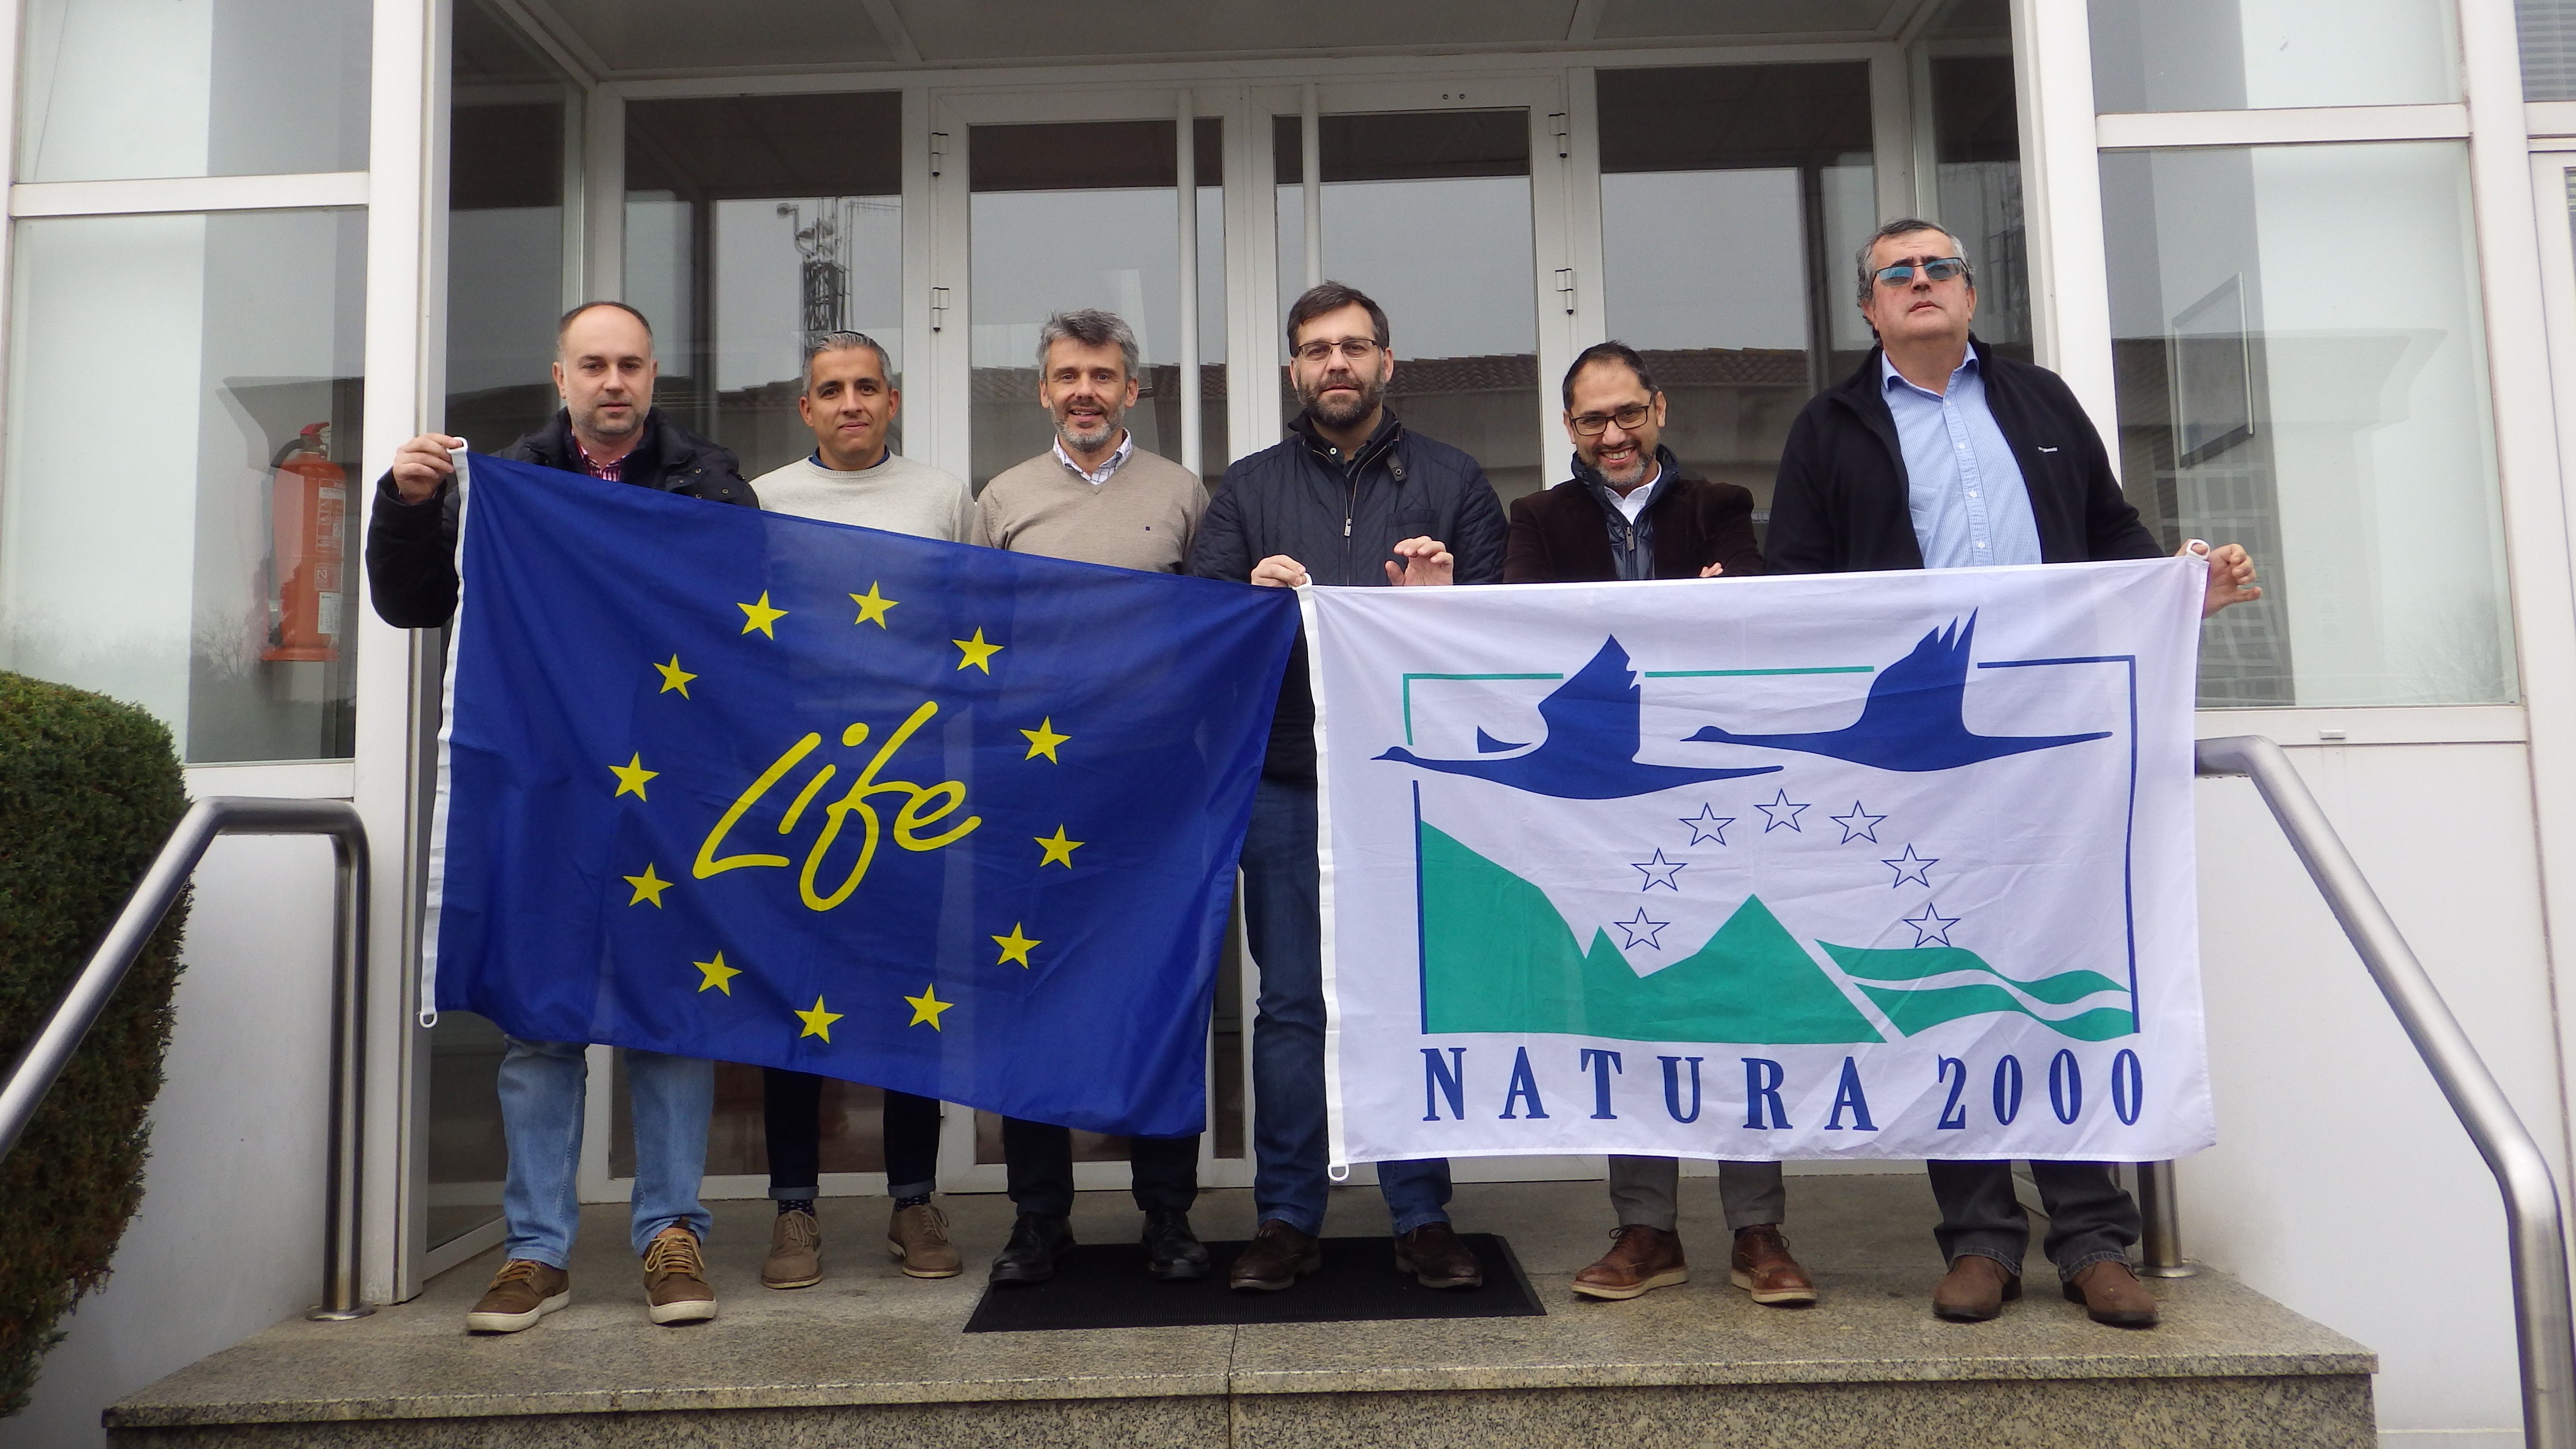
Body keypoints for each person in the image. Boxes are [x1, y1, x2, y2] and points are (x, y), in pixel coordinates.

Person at [1765, 219, 2260, 1330]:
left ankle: (2094, 1241)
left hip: (2054, 746)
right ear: (1870, 310)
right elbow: (1793, 585)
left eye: (1941, 267)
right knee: (1948, 977)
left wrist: (2182, 590)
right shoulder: (1829, 428)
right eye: (1899, 274)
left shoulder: (2039, 404)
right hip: (1919, 758)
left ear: (1971, 292)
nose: (1923, 284)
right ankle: (1982, 1239)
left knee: (2060, 974)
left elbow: (2112, 534)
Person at [366, 300, 754, 1333]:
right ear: (561, 375)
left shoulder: (710, 481)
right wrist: (406, 505)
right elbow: (409, 603)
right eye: (594, 364)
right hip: (541, 793)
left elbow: (754, 628)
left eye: (630, 364)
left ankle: (672, 1236)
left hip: (671, 791)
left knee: (669, 1015)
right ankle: (536, 1251)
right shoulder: (498, 487)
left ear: (654, 375)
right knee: (541, 1025)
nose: (613, 381)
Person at [1187, 281, 1508, 1292]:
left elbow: (1507, 637)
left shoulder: (1455, 482)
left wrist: (1443, 605)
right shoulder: (1245, 489)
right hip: (1284, 780)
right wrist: (1248, 606)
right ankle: (1286, 1215)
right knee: (1290, 1007)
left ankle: (1422, 1215)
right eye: (1317, 349)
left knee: (1411, 996)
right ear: (1294, 369)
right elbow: (1197, 631)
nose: (1337, 364)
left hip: (1411, 788)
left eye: (1354, 347)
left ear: (1387, 364)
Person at [1505, 340, 1814, 1309]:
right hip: (1604, 810)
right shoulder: (1538, 518)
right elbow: (1520, 633)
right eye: (1593, 419)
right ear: (1568, 429)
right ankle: (1646, 1229)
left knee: (1739, 995)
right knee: (1628, 999)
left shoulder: (1718, 505)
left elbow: (1761, 622)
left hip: (1714, 802)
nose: (1613, 435)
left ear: (1659, 410)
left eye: (1627, 413)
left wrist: (1729, 607)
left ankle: (1757, 1231)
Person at [968, 309, 1214, 1286]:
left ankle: (1167, 1212)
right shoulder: (1003, 500)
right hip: (1034, 798)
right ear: (1043, 389)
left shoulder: (1185, 493)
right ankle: (1039, 1217)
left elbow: (1216, 631)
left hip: (1156, 794)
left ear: (1130, 389)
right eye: (1067, 374)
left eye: (1103, 375)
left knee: (1160, 993)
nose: (1084, 391)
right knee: (1030, 994)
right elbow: (973, 647)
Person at [744, 330, 973, 1291]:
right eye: (830, 390)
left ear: (894, 399)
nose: (849, 403)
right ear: (807, 408)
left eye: (866, 388)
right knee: (795, 999)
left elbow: (983, 635)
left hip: (912, 795)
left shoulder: (941, 498)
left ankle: (913, 1198)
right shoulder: (759, 501)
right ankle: (795, 1210)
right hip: (795, 795)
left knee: (907, 994)